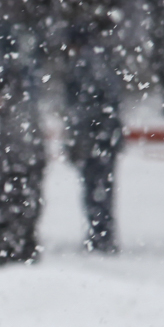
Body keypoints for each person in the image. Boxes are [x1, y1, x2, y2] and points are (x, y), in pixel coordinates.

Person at [64, 22, 125, 254]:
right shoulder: (98, 62)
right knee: (101, 188)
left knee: (96, 188)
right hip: (101, 138)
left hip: (96, 139)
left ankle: (101, 235)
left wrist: (83, 135)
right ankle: (102, 233)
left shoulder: (87, 65)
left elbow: (91, 106)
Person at [0, 60, 44, 265]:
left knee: (16, 248)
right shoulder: (16, 115)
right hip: (16, 196)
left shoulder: (17, 118)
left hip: (15, 196)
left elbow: (24, 160)